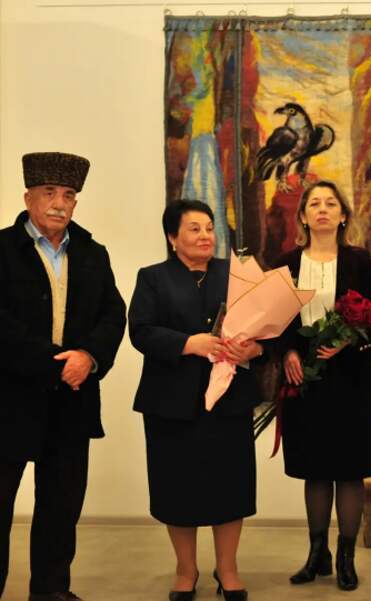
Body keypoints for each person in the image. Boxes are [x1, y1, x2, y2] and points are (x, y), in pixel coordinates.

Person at [0, 152, 126, 601]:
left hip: (72, 400)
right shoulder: (2, 250)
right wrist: (57, 362)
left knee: (61, 505)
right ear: (28, 198)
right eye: (49, 192)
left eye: (68, 195)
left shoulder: (92, 253)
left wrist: (89, 356)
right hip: (10, 401)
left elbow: (113, 314)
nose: (59, 202)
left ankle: (51, 591)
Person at [129, 200, 266, 601]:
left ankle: (228, 569)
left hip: (229, 401)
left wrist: (255, 349)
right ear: (172, 237)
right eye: (194, 229)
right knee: (177, 489)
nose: (206, 235)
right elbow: (140, 331)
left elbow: (269, 329)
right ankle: (185, 570)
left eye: (209, 228)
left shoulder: (237, 274)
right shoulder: (153, 277)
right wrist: (189, 343)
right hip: (171, 403)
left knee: (231, 488)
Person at [274, 180, 371, 591]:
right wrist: (287, 352)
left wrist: (349, 339)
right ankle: (316, 554)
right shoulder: (286, 263)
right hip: (305, 382)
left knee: (350, 470)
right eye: (314, 204)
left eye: (330, 203)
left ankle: (346, 557)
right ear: (303, 216)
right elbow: (273, 321)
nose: (322, 209)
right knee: (316, 470)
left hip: (353, 380)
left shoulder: (358, 260)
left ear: (343, 216)